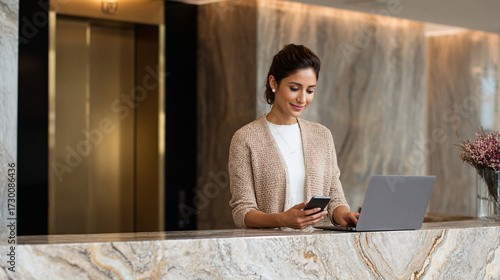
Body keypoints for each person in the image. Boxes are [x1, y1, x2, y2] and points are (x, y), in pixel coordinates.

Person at [228, 44, 359, 229]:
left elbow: (335, 197)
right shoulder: (245, 139)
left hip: (317, 252)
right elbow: (242, 211)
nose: (302, 99)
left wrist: (345, 215)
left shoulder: (322, 136)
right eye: (295, 88)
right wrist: (282, 219)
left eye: (310, 90)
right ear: (274, 83)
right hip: (268, 251)